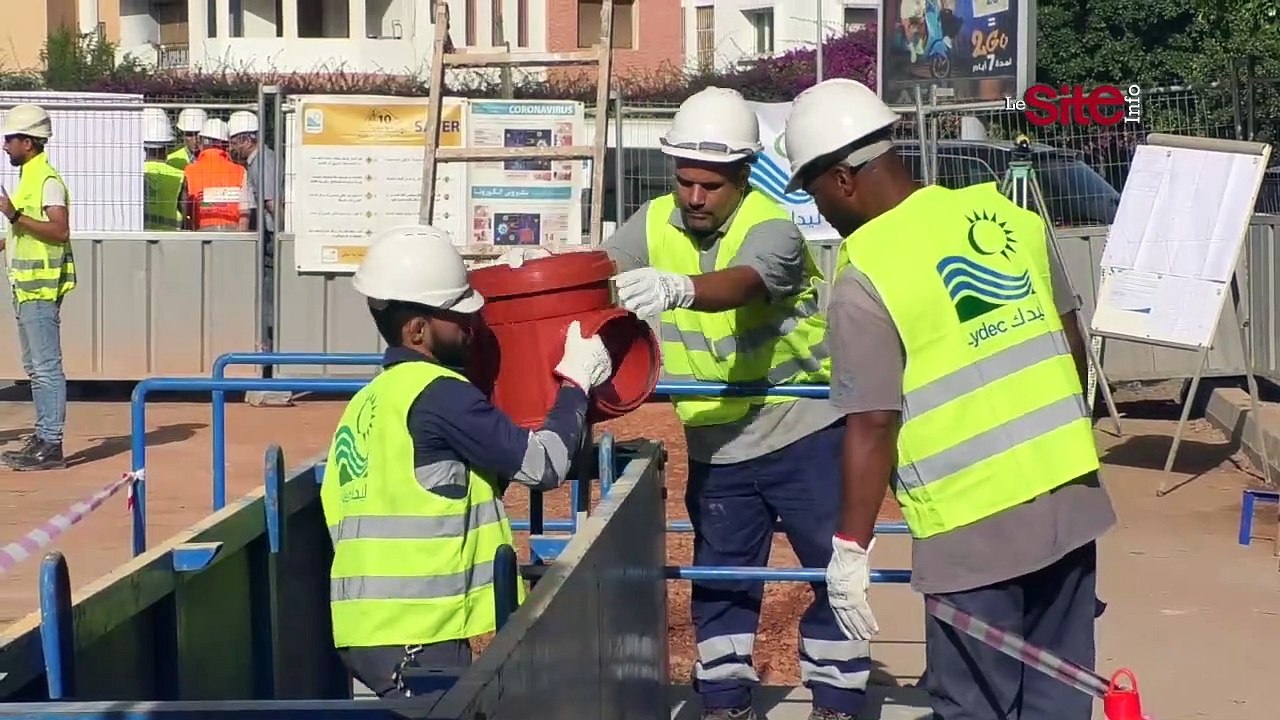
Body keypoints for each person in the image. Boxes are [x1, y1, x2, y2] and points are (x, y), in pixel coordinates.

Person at [783, 78, 1115, 720]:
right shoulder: (1010, 222)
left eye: (814, 190)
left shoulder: (867, 274)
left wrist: (849, 549)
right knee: (1061, 696)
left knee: (974, 707)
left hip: (971, 532)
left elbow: (873, 423)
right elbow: (1072, 349)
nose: (818, 208)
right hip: (1069, 505)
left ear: (843, 178)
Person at [603, 87, 870, 720]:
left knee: (835, 573)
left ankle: (835, 701)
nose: (694, 198)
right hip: (717, 445)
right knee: (722, 582)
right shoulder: (651, 221)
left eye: (711, 186)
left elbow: (742, 284)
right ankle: (724, 701)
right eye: (685, 181)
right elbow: (601, 273)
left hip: (803, 432)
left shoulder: (772, 228)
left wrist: (677, 288)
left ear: (744, 175)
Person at [321, 224, 613, 698]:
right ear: (418, 330)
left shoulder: (368, 403)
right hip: (418, 631)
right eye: (458, 318)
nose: (472, 327)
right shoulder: (441, 395)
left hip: (365, 627)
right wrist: (576, 385)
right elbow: (543, 466)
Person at [0, 104, 74, 471]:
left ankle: (51, 442)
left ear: (27, 142)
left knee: (45, 367)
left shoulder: (46, 181)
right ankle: (43, 437)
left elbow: (59, 230)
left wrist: (12, 214)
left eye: (9, 139)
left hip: (40, 290)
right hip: (25, 288)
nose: (5, 146)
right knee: (34, 366)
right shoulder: (28, 179)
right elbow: (19, 233)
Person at [227, 110, 290, 408]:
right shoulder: (259, 161)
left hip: (272, 244)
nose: (231, 148)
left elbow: (271, 203)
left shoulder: (261, 162)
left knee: (270, 307)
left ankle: (270, 372)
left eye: (234, 141)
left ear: (246, 139)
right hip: (271, 242)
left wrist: (281, 239)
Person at [180, 118, 245, 232]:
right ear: (226, 145)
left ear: (201, 143)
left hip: (203, 231)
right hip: (234, 232)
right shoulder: (240, 171)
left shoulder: (190, 170)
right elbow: (246, 207)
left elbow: (186, 205)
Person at [142, 108, 184, 231]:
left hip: (140, 234)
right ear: (167, 147)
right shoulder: (180, 175)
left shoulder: (135, 174)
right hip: (170, 235)